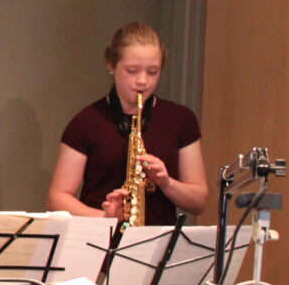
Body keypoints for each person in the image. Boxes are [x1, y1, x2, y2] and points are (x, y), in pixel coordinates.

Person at [47, 22, 208, 225]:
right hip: (99, 242)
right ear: (111, 66)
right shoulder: (86, 122)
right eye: (132, 70)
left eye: (153, 72)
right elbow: (57, 199)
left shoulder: (181, 119)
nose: (142, 81)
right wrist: (105, 218)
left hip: (158, 245)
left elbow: (199, 201)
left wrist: (166, 183)